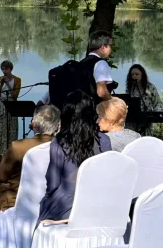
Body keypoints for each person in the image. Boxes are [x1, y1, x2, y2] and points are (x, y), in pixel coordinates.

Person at [38, 91, 111, 223]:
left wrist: (47, 200)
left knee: (41, 214)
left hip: (66, 206)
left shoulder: (60, 141)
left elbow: (53, 183)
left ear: (66, 114)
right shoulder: (105, 140)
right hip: (99, 203)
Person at [0, 104, 59, 216]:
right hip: (53, 200)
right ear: (57, 126)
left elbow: (0, 176)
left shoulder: (18, 147)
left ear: (33, 124)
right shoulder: (63, 146)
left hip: (19, 200)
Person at [0, 60, 20, 155]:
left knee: (10, 129)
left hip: (11, 106)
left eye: (6, 69)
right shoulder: (0, 79)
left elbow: (15, 95)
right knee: (0, 130)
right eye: (3, 69)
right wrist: (1, 84)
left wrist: (8, 84)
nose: (4, 71)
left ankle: (10, 153)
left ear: (11, 69)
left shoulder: (17, 80)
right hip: (1, 106)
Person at [124, 64, 162, 135]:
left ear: (142, 75)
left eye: (137, 74)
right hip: (132, 121)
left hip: (146, 121)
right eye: (132, 74)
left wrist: (156, 114)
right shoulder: (129, 88)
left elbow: (158, 103)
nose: (134, 76)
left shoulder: (150, 87)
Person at [83, 32, 116, 101]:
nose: (111, 49)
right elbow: (101, 92)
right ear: (103, 47)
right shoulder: (101, 63)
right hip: (96, 108)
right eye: (111, 46)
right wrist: (114, 103)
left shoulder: (83, 62)